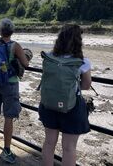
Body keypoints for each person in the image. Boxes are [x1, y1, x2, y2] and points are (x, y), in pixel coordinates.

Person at [39, 24, 91, 166]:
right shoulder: (82, 62)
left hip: (49, 104)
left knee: (49, 143)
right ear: (78, 41)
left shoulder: (49, 57)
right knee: (69, 148)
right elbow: (86, 85)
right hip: (71, 107)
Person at [0, 18, 29, 164]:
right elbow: (25, 63)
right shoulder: (14, 46)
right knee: (8, 117)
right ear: (12, 31)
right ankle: (7, 151)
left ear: (0, 30)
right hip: (9, 85)